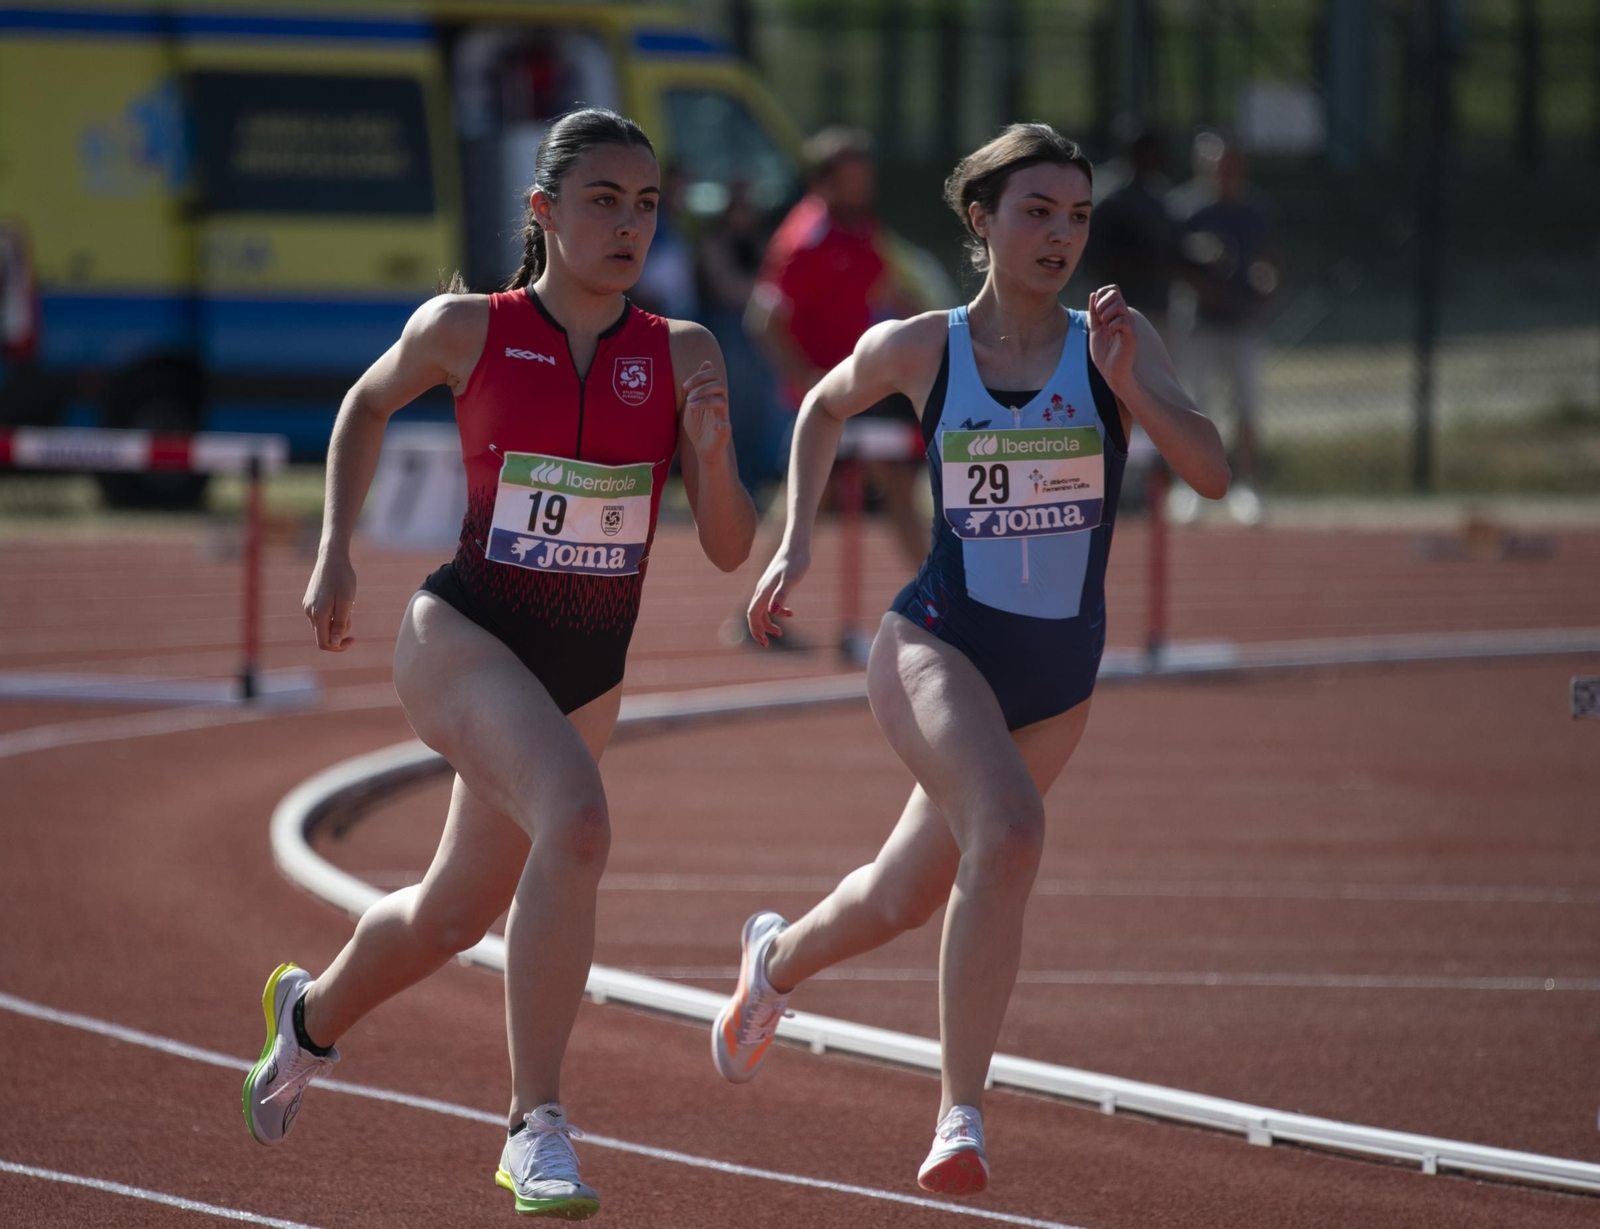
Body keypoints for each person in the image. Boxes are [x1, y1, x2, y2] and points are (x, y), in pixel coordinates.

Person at [241, 107, 756, 1222]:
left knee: (449, 913)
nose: (628, 224)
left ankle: (310, 1019)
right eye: (602, 200)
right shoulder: (468, 326)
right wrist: (334, 547)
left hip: (585, 668)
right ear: (543, 211)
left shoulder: (682, 352)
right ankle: (537, 1126)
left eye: (646, 203)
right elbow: (364, 402)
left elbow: (726, 547)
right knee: (577, 820)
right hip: (462, 634)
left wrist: (711, 458)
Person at [709, 123, 1229, 1195]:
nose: (1059, 236)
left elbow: (1212, 472)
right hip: (937, 643)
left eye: (1076, 216)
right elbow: (818, 403)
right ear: (980, 220)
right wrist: (797, 536)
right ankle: (961, 1115)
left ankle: (771, 964)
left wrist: (1139, 385)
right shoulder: (926, 346)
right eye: (1035, 212)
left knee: (901, 893)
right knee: (1011, 827)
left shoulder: (1111, 341)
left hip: (1057, 678)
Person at [727, 126, 928, 649]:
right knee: (806, 505)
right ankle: (757, 614)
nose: (865, 185)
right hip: (833, 396)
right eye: (854, 177)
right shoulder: (806, 239)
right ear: (825, 181)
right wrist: (810, 385)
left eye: (868, 175)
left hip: (868, 386)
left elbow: (888, 289)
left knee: (897, 493)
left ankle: (942, 600)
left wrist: (944, 331)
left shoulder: (859, 229)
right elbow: (762, 319)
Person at [1169, 131, 1281, 524]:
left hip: (1243, 323)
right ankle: (1191, 486)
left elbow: (1270, 260)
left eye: (1230, 164)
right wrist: (1205, 287)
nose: (1222, 172)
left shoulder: (1255, 209)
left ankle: (1247, 487)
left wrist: (1266, 286)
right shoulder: (1187, 209)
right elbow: (1174, 263)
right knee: (1194, 407)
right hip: (1199, 324)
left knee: (1247, 407)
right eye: (1215, 164)